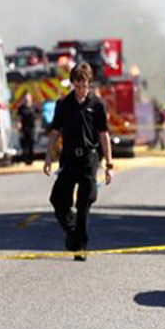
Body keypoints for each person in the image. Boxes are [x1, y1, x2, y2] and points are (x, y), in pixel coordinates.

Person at [42, 62, 113, 261]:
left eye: (85, 85)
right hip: (69, 158)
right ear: (72, 83)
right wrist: (48, 158)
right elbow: (54, 133)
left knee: (85, 202)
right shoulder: (63, 105)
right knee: (57, 199)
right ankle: (72, 232)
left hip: (89, 159)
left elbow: (104, 135)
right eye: (77, 85)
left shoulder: (97, 105)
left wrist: (109, 165)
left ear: (89, 83)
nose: (81, 90)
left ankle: (80, 247)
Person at [16, 92, 37, 164]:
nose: (27, 99)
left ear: (31, 98)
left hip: (32, 128)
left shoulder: (34, 106)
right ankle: (25, 160)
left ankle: (31, 160)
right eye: (25, 97)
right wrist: (19, 125)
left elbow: (39, 114)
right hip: (24, 128)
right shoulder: (21, 108)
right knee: (25, 144)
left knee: (31, 143)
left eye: (28, 97)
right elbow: (19, 117)